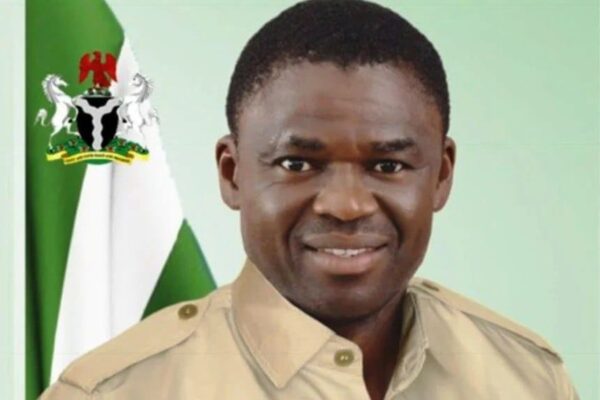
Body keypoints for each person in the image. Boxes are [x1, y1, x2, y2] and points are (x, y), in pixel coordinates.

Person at [41, 0, 580, 399]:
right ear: (232, 174)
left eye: (388, 166)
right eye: (297, 164)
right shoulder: (114, 393)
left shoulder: (529, 379)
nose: (346, 205)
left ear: (441, 175)